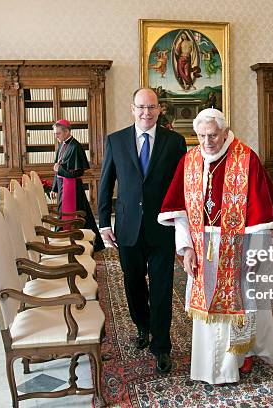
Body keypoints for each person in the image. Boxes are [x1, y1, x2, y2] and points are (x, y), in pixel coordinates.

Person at [158, 108, 273, 385]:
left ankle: (242, 354)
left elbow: (262, 218)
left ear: (226, 132)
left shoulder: (246, 158)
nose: (207, 142)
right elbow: (180, 213)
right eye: (201, 136)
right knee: (206, 303)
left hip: (240, 245)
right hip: (202, 245)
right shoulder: (190, 160)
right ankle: (211, 364)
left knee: (245, 300)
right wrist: (186, 249)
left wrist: (256, 253)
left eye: (213, 135)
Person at [97, 88, 187, 373]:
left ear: (159, 109)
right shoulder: (116, 140)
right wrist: (103, 223)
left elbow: (184, 186)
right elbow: (105, 183)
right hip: (127, 227)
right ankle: (142, 326)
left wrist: (186, 224)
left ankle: (162, 346)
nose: (146, 112)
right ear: (132, 108)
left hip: (162, 228)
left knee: (161, 288)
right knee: (133, 282)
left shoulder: (175, 142)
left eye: (151, 107)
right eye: (141, 107)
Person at [51, 119, 104, 252]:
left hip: (73, 188)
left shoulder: (75, 147)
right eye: (55, 134)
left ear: (67, 131)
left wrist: (60, 170)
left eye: (58, 133)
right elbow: (57, 169)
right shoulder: (62, 146)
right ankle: (63, 240)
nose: (56, 136)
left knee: (81, 215)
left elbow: (77, 171)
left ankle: (92, 244)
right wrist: (54, 187)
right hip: (63, 186)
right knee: (66, 214)